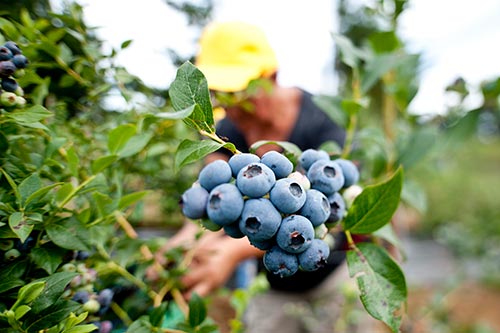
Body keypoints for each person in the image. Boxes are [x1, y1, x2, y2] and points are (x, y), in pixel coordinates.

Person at [151, 21, 373, 333]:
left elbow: (328, 206)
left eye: (241, 89)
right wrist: (185, 243)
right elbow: (214, 195)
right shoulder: (227, 129)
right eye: (221, 93)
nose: (232, 103)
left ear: (271, 76)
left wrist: (231, 253)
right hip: (273, 283)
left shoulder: (324, 118)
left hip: (335, 276)